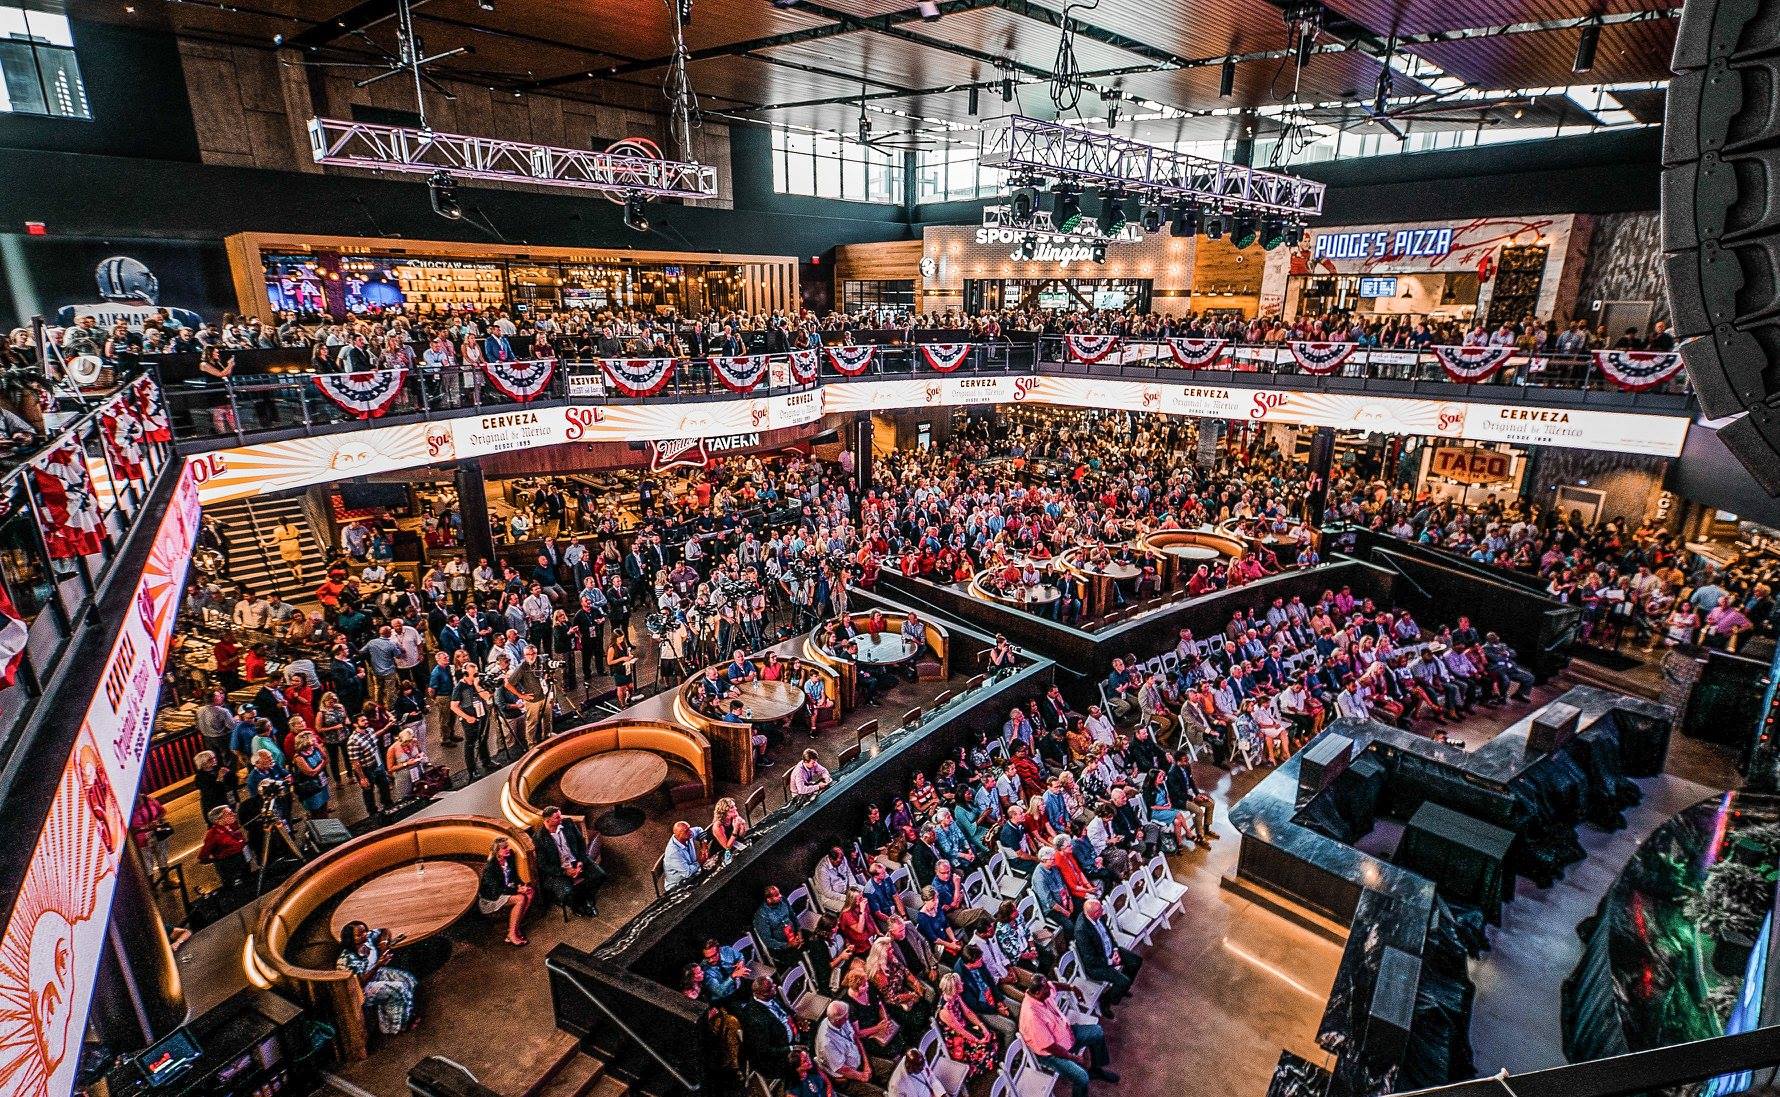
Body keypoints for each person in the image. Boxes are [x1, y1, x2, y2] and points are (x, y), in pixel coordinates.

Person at [1017, 977, 1117, 1096]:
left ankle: (1096, 1070)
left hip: (1065, 1035)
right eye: (1047, 990)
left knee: (1097, 1032)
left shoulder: (1041, 992)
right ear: (1037, 993)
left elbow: (1053, 985)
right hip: (1051, 1054)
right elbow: (1050, 1047)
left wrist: (1072, 988)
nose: (1050, 990)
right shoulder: (1031, 1016)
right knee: (1082, 1077)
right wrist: (1073, 1057)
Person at [337, 920, 418, 1035]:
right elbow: (358, 983)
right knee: (398, 989)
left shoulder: (368, 939)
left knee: (408, 979)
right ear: (350, 939)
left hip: (375, 973)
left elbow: (384, 929)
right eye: (359, 934)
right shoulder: (347, 959)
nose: (364, 934)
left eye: (365, 931)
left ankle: (406, 1013)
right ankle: (395, 1026)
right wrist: (378, 964)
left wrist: (384, 943)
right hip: (361, 989)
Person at [1073, 897, 1141, 1018]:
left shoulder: (1098, 916)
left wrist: (1115, 949)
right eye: (1100, 910)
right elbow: (1090, 959)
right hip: (1097, 965)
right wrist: (1110, 961)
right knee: (1123, 981)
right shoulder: (1082, 930)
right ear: (1093, 914)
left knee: (1136, 961)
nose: (1103, 911)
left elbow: (1107, 934)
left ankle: (1120, 988)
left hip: (1110, 952)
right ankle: (1106, 1001)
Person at [533, 805, 604, 916]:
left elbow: (581, 842)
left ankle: (589, 900)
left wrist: (580, 862)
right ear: (547, 821)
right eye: (557, 818)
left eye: (560, 816)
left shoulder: (568, 823)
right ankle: (576, 906)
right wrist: (565, 871)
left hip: (576, 860)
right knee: (567, 892)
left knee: (600, 875)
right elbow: (543, 864)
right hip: (559, 869)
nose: (561, 819)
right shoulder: (539, 838)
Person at [934, 970, 998, 1079]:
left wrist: (983, 1027)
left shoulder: (956, 996)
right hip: (955, 1036)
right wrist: (978, 1040)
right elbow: (960, 1031)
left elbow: (968, 1013)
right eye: (960, 983)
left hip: (964, 1026)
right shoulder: (944, 1011)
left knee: (991, 1034)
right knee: (984, 1047)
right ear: (954, 988)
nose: (962, 984)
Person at [814, 999, 882, 1097]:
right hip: (847, 1078)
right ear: (838, 1020)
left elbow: (856, 1038)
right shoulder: (826, 1042)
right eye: (846, 1016)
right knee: (879, 1094)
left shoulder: (842, 1020)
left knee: (889, 1067)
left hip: (859, 1062)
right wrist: (861, 1076)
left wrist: (866, 1064)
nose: (848, 1016)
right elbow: (842, 1069)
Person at [479, 836, 535, 946]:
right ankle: (513, 934)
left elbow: (514, 876)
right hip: (491, 898)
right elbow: (497, 890)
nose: (508, 849)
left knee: (530, 892)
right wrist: (517, 889)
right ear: (497, 852)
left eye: (507, 846)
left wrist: (521, 885)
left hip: (505, 890)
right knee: (520, 898)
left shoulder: (510, 858)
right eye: (504, 848)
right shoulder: (490, 867)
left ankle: (512, 930)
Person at [198, 805, 252, 886]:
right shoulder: (213, 834)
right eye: (229, 814)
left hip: (243, 860)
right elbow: (203, 856)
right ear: (218, 820)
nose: (233, 814)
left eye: (232, 812)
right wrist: (219, 859)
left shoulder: (232, 826)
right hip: (230, 866)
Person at [664, 819, 710, 891]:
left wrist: (704, 846)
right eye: (687, 831)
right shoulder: (673, 853)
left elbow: (699, 830)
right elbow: (687, 873)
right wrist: (700, 861)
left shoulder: (688, 835)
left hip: (693, 874)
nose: (691, 832)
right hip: (678, 886)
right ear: (679, 835)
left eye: (689, 828)